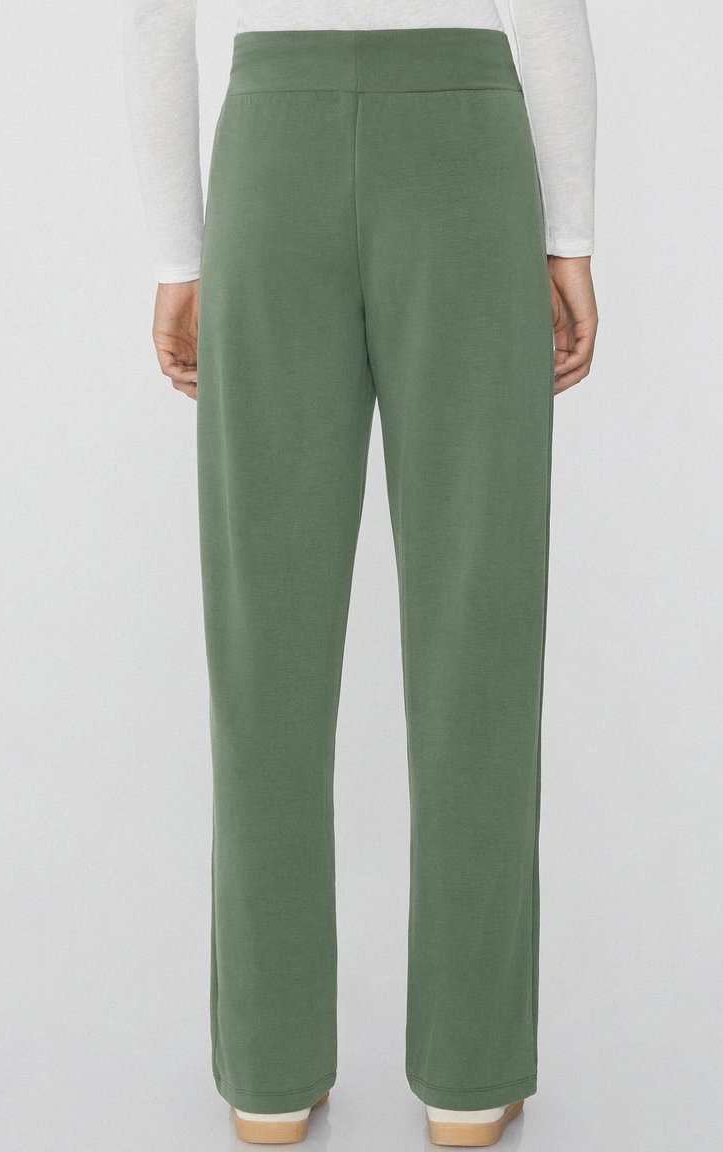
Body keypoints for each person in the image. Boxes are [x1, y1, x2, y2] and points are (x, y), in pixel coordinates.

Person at [124, 1, 597, 1145]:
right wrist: (569, 238)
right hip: (464, 157)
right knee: (477, 629)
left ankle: (269, 1078)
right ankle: (469, 1079)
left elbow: (149, 19)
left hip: (271, 153)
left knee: (264, 646)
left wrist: (179, 254)